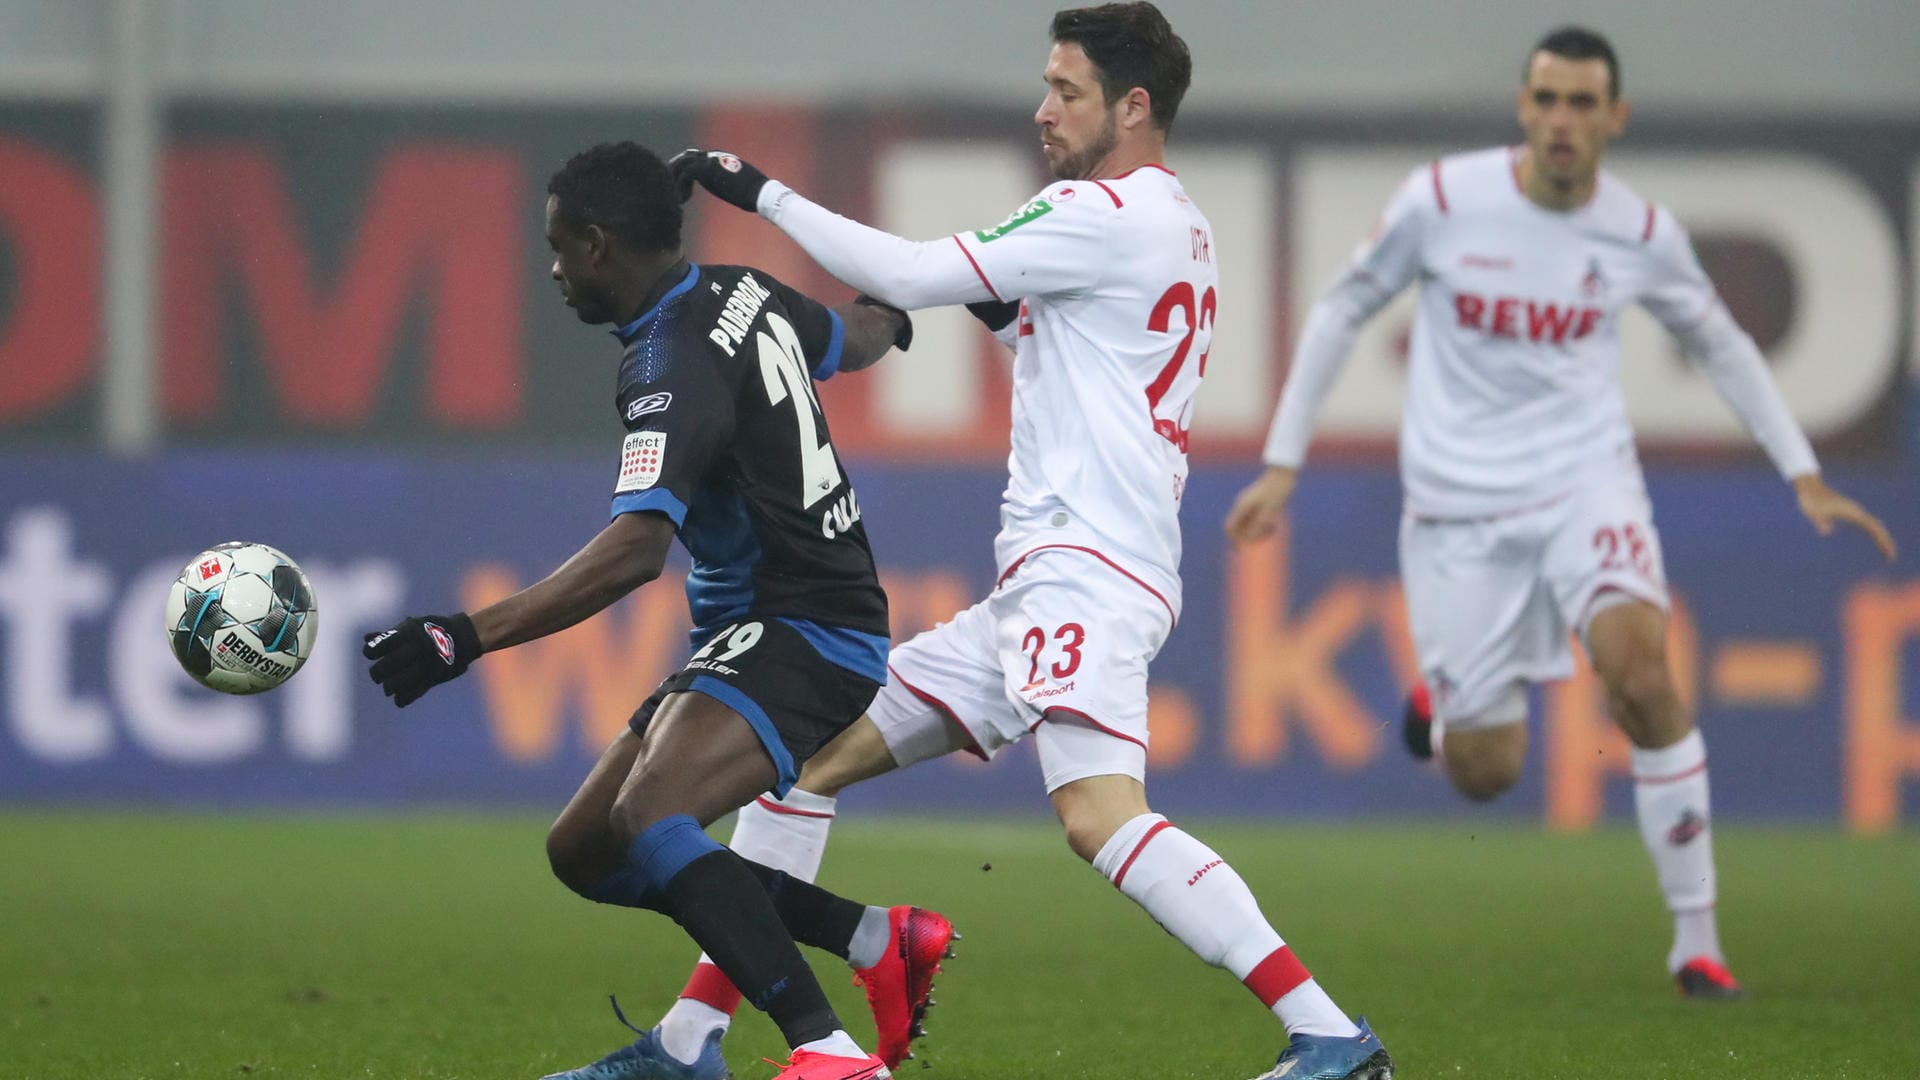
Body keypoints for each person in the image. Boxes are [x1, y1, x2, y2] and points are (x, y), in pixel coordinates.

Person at [663, 6, 1393, 1080]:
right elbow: (1040, 330)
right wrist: (976, 303)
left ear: (1132, 106)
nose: (1042, 109)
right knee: (805, 755)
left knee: (1101, 817)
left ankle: (1328, 1033)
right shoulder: (1173, 222)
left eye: (1067, 90)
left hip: (1085, 577)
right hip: (1055, 585)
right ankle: (698, 1036)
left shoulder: (1101, 212)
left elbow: (912, 271)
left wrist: (754, 189)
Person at [1225, 26, 1898, 1000]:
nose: (1562, 121)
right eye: (1547, 100)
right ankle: (1442, 704)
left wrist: (1802, 471)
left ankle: (1696, 943)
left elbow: (1722, 344)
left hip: (1588, 485)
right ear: (1523, 108)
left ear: (1614, 118)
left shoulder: (1641, 233)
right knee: (1488, 772)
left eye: (1583, 103)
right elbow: (1340, 310)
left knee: (1639, 675)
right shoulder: (1446, 201)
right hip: (1461, 510)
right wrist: (1282, 462)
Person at [361, 140, 950, 1080]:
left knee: (654, 814)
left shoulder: (668, 363)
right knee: (587, 849)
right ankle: (871, 940)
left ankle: (831, 1053)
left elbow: (635, 554)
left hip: (807, 627)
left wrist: (462, 636)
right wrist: (895, 312)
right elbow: (848, 337)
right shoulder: (741, 291)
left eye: (558, 247)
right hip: (766, 626)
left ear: (600, 246)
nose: (552, 270)